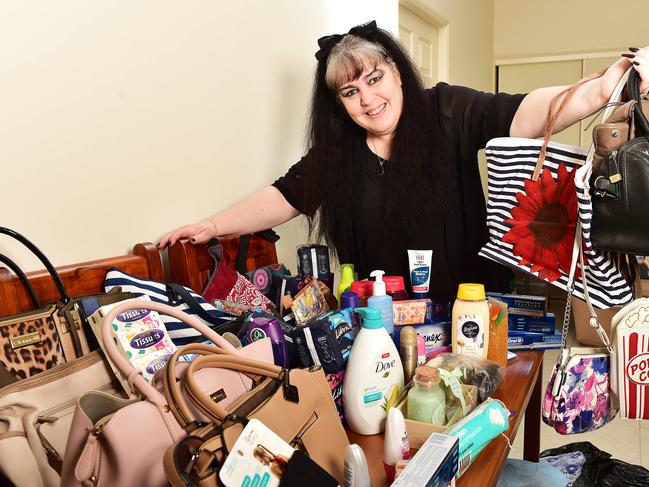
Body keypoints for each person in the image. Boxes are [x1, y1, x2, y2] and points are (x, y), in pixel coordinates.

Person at [159, 21, 649, 302]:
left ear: (394, 70)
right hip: (386, 325)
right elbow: (284, 197)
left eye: (373, 80)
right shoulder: (337, 152)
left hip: (470, 313)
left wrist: (602, 88)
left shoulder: (445, 109)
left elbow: (524, 111)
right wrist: (211, 225)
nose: (367, 100)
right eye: (350, 92)